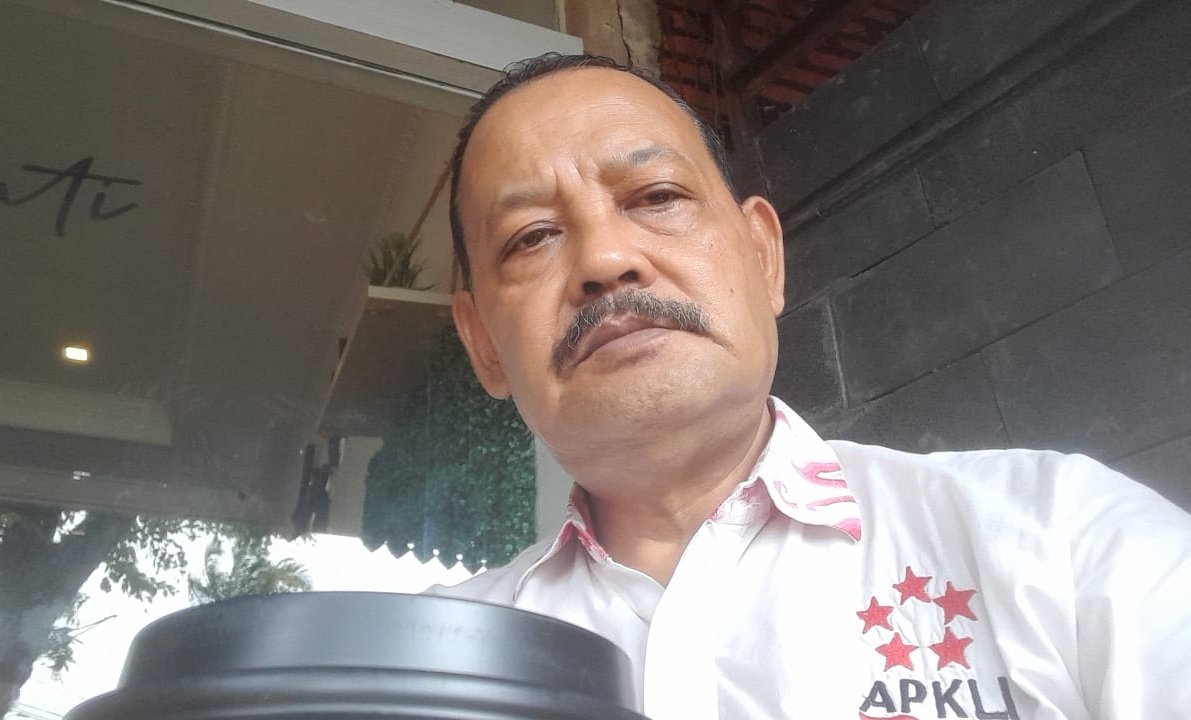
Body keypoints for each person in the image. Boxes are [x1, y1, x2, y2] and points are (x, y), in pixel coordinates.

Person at [433, 52, 1191, 719]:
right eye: (533, 237)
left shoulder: (1064, 545)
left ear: (764, 255)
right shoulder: (428, 661)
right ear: (483, 344)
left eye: (657, 196)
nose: (605, 258)